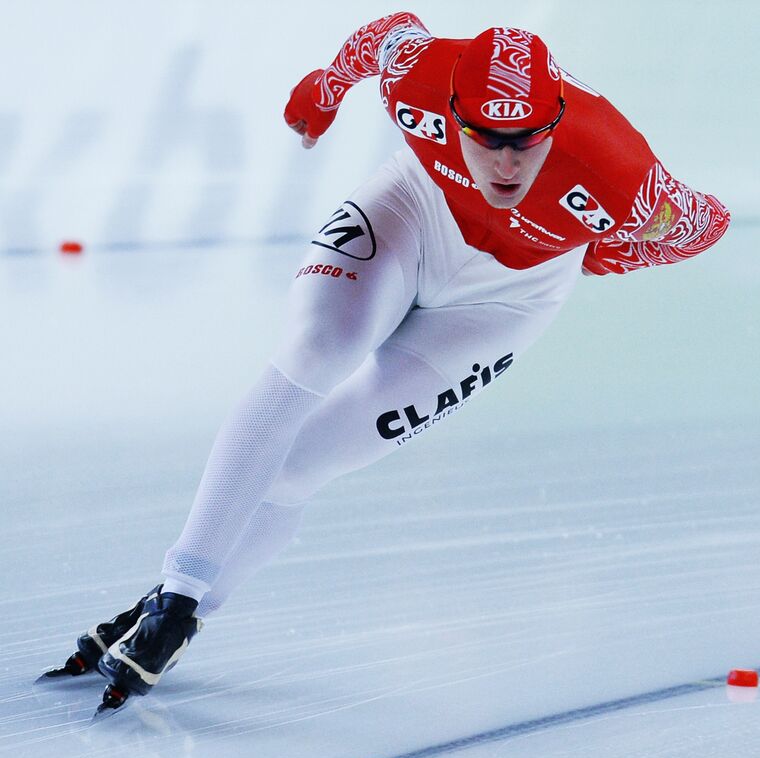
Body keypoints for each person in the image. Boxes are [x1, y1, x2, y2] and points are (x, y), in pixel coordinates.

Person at [42, 13, 729, 713]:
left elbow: (705, 224)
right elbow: (383, 35)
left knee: (303, 465)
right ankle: (180, 594)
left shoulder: (621, 172)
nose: (507, 165)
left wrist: (616, 254)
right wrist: (323, 93)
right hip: (415, 210)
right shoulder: (418, 74)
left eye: (527, 143)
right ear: (451, 113)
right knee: (315, 349)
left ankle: (174, 614)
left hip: (509, 299)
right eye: (486, 140)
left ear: (555, 125)